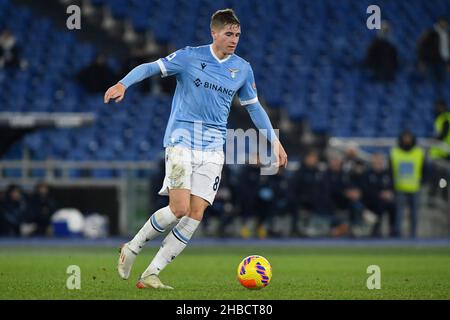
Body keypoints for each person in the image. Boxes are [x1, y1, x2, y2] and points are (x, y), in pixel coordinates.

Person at [104, 9, 288, 289]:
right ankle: (131, 247)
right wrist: (123, 83)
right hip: (181, 141)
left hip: (214, 148)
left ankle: (151, 273)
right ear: (214, 33)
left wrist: (274, 141)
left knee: (196, 213)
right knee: (178, 208)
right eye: (228, 33)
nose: (234, 39)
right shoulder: (190, 57)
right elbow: (150, 67)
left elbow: (254, 108)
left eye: (237, 34)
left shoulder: (242, 68)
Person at [390, 130, 425, 238]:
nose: (407, 140)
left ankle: (413, 236)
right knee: (399, 214)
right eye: (405, 137)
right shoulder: (394, 152)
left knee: (414, 215)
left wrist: (422, 182)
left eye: (408, 137)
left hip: (415, 188)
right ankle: (398, 236)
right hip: (399, 188)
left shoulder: (419, 152)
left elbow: (426, 170)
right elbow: (390, 170)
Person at [361, 153, 395, 237]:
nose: (378, 162)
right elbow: (366, 190)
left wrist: (389, 193)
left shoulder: (387, 173)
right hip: (371, 201)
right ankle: (376, 229)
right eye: (376, 159)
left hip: (385, 201)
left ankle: (393, 229)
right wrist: (380, 194)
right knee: (379, 205)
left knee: (393, 205)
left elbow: (392, 186)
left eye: (379, 159)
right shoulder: (367, 173)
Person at [417, 17, 450, 97]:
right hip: (431, 62)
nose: (444, 25)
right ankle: (432, 99)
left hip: (443, 62)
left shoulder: (448, 35)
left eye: (445, 23)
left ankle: (441, 98)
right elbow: (421, 47)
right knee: (431, 82)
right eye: (442, 23)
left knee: (442, 82)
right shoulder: (430, 34)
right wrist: (422, 61)